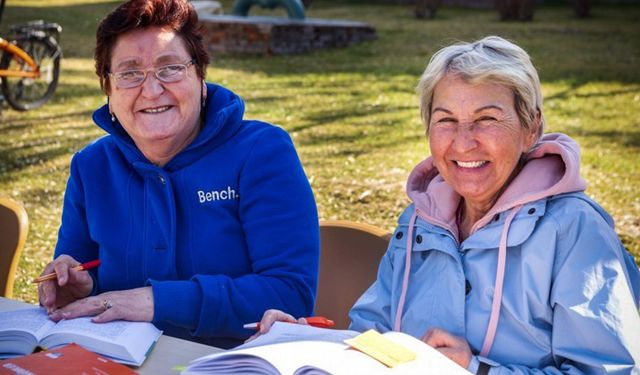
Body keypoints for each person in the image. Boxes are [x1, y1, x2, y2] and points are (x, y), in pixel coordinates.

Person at [251, 36, 640, 373]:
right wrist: (305, 338)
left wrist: (477, 370)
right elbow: (373, 338)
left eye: (486, 119)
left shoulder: (575, 232)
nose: (464, 141)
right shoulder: (420, 222)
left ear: (531, 127)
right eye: (446, 120)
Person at [37, 0, 320, 348]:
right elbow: (82, 279)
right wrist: (76, 286)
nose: (152, 89)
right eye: (129, 73)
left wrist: (154, 301)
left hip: (230, 365)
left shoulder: (262, 152)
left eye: (169, 68)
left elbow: (289, 293)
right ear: (108, 93)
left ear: (201, 79)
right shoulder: (91, 166)